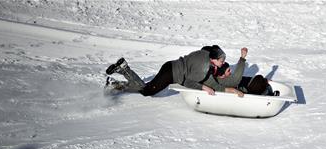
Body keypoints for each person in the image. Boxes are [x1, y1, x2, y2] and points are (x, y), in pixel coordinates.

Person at [105, 46, 248, 97]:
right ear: (214, 60)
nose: (222, 63)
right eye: (221, 61)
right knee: (146, 91)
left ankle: (115, 83)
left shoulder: (204, 53)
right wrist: (203, 87)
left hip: (170, 66)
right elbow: (187, 81)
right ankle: (124, 70)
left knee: (147, 87)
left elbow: (210, 48)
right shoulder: (204, 69)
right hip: (172, 74)